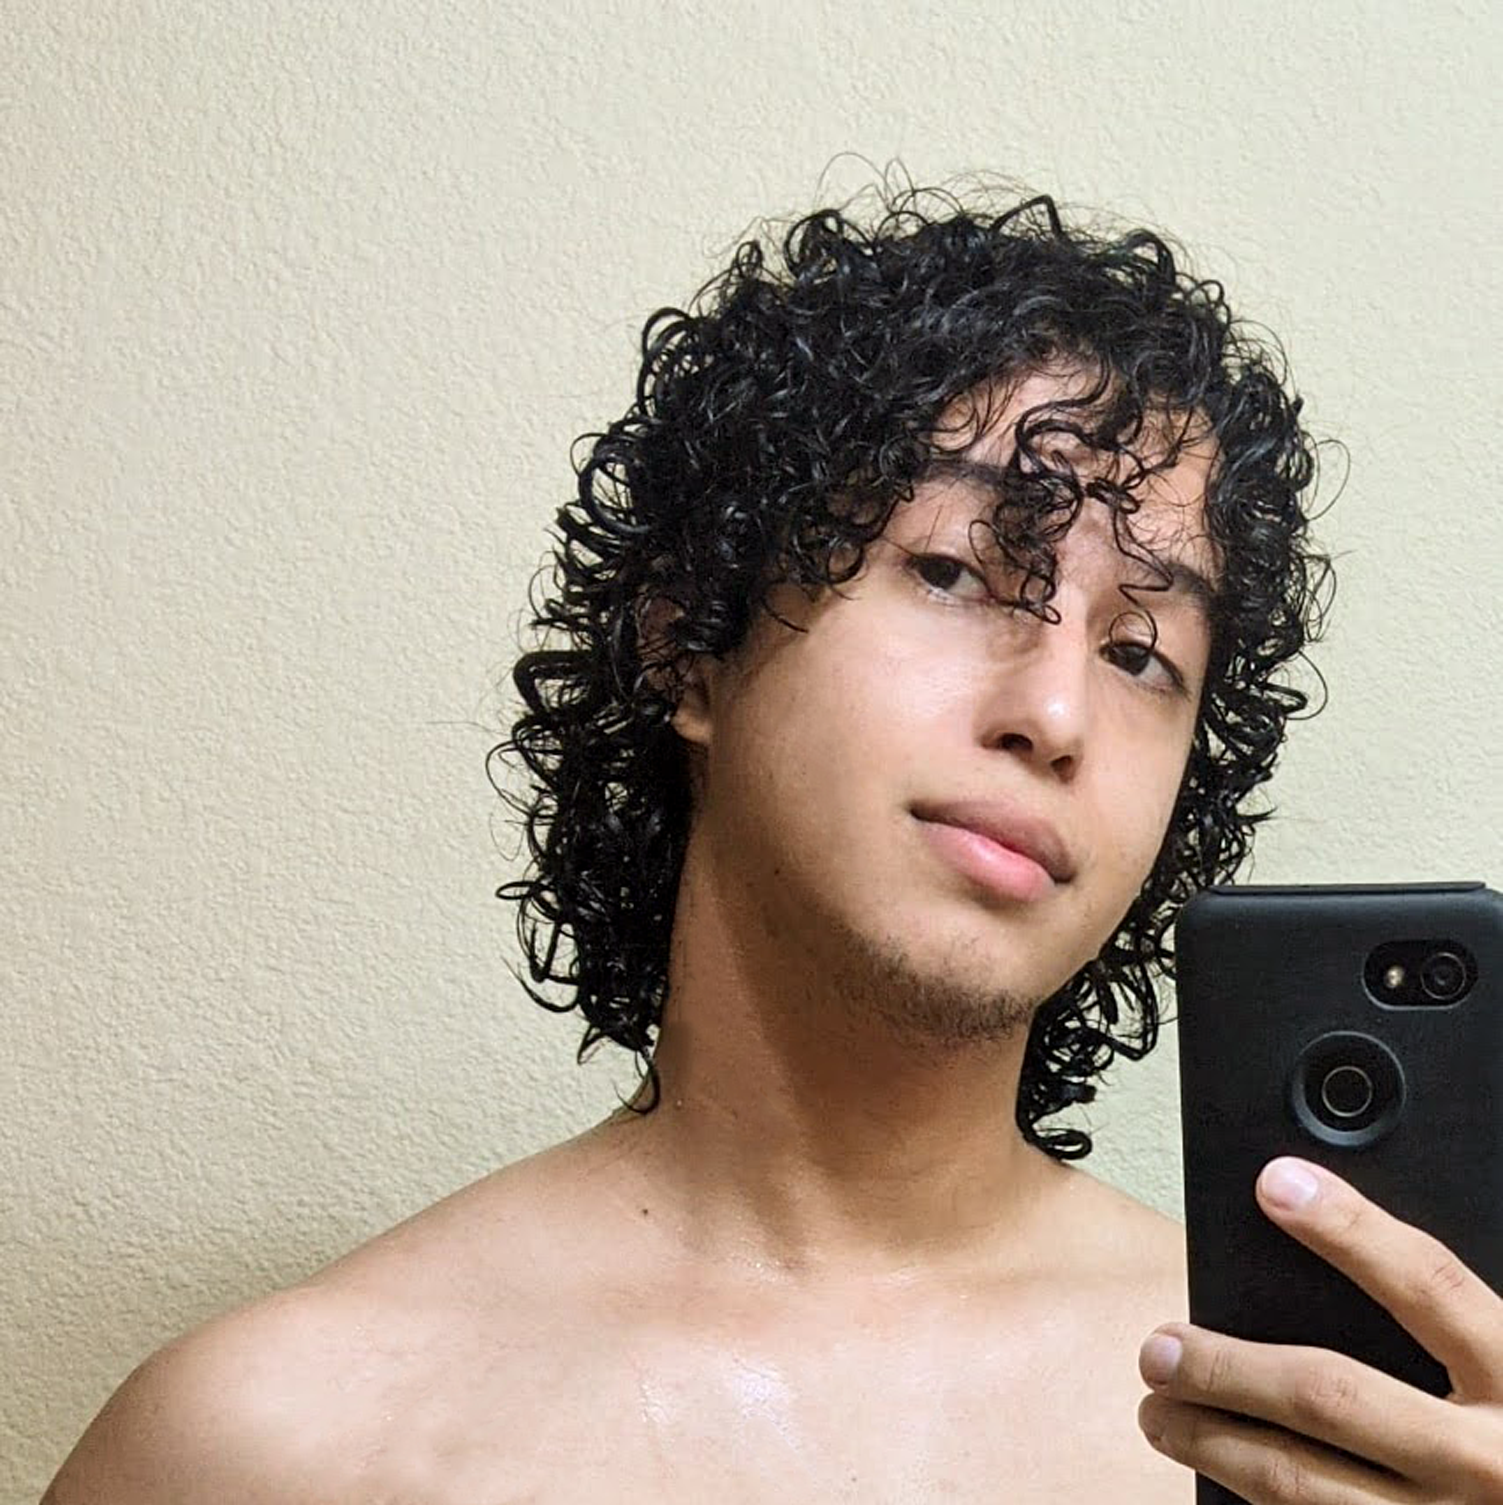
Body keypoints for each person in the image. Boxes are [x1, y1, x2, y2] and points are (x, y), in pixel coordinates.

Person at [43, 188, 1503, 1503]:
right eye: (955, 570)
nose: (1057, 713)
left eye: (1139, 655)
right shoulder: (261, 1443)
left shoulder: (1325, 1423)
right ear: (691, 642)